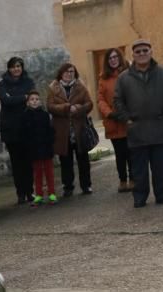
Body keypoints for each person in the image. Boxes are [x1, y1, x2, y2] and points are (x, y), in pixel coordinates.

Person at [113, 38, 163, 208]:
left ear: (151, 52)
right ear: (133, 54)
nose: (142, 54)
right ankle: (139, 197)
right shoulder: (124, 78)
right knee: (138, 168)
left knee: (159, 167)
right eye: (138, 51)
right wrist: (126, 119)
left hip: (158, 126)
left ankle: (162, 196)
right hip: (136, 128)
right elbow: (118, 100)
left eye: (145, 51)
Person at [47, 62, 93, 196]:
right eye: (66, 72)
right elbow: (50, 106)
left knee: (83, 159)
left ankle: (86, 185)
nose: (69, 74)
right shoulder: (53, 88)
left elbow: (89, 104)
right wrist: (66, 108)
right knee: (65, 160)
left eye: (71, 72)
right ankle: (68, 186)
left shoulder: (81, 86)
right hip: (62, 131)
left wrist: (78, 108)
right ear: (61, 73)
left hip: (79, 129)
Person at [0, 56, 36, 204]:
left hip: (27, 127)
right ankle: (20, 193)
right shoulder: (2, 84)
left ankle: (30, 191)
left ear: (22, 67)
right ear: (9, 68)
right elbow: (5, 100)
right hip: (11, 129)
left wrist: (17, 98)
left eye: (19, 66)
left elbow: (32, 98)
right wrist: (23, 97)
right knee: (16, 163)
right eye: (13, 66)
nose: (16, 69)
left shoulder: (29, 82)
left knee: (28, 162)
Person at [98, 48, 133, 192]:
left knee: (131, 152)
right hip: (113, 121)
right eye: (110, 58)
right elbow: (100, 99)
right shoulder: (103, 78)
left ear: (120, 58)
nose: (113, 60)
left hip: (128, 120)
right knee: (120, 154)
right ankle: (122, 180)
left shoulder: (129, 73)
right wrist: (110, 113)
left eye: (115, 57)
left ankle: (133, 178)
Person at [20, 90, 56, 206]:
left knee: (49, 172)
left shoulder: (45, 115)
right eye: (32, 99)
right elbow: (24, 134)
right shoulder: (25, 116)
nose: (34, 101)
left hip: (46, 147)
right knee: (37, 173)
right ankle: (39, 195)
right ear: (27, 102)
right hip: (33, 149)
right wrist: (27, 147)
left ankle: (52, 193)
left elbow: (50, 131)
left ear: (40, 102)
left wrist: (50, 143)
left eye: (37, 99)